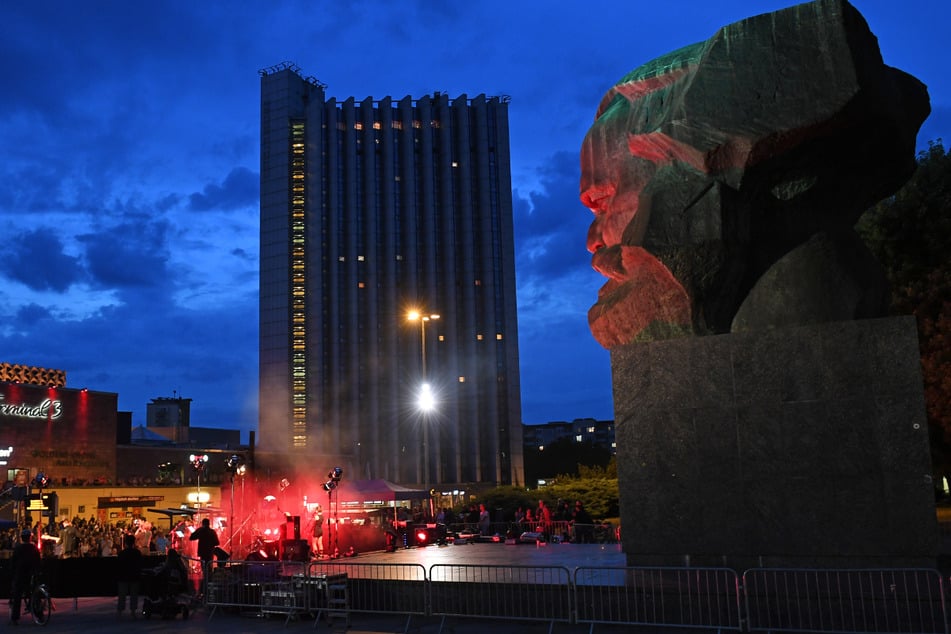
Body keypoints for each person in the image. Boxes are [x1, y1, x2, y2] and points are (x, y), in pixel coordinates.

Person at [9, 528, 41, 625]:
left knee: (17, 596)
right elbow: (38, 562)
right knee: (35, 594)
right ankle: (39, 614)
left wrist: (13, 572)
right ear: (30, 538)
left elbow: (13, 562)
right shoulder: (34, 548)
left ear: (22, 538)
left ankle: (15, 618)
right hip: (31, 574)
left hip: (20, 574)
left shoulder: (18, 548)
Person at [189, 518, 219, 594]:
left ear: (203, 524)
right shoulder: (212, 532)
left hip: (203, 553)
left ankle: (204, 588)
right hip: (210, 553)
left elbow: (191, 537)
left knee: (204, 569)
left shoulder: (201, 531)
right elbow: (217, 542)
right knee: (209, 568)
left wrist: (199, 530)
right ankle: (209, 584)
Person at [116, 533, 143, 619]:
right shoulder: (137, 553)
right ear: (134, 542)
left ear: (126, 543)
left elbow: (119, 565)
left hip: (123, 576)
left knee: (122, 595)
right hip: (134, 576)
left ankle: (120, 611)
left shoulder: (122, 553)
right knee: (134, 595)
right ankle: (133, 612)